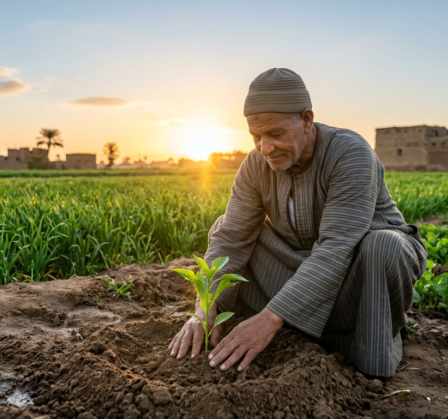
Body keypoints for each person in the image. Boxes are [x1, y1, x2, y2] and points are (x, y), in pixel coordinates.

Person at [167, 68, 427, 378]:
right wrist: (204, 307)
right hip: (298, 266)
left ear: (306, 120)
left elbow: (336, 249)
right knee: (223, 228)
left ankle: (363, 350)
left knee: (384, 246)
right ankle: (272, 322)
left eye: (275, 134)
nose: (265, 148)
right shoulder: (256, 165)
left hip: (356, 273)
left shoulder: (350, 153)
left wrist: (269, 320)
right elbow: (231, 238)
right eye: (256, 137)